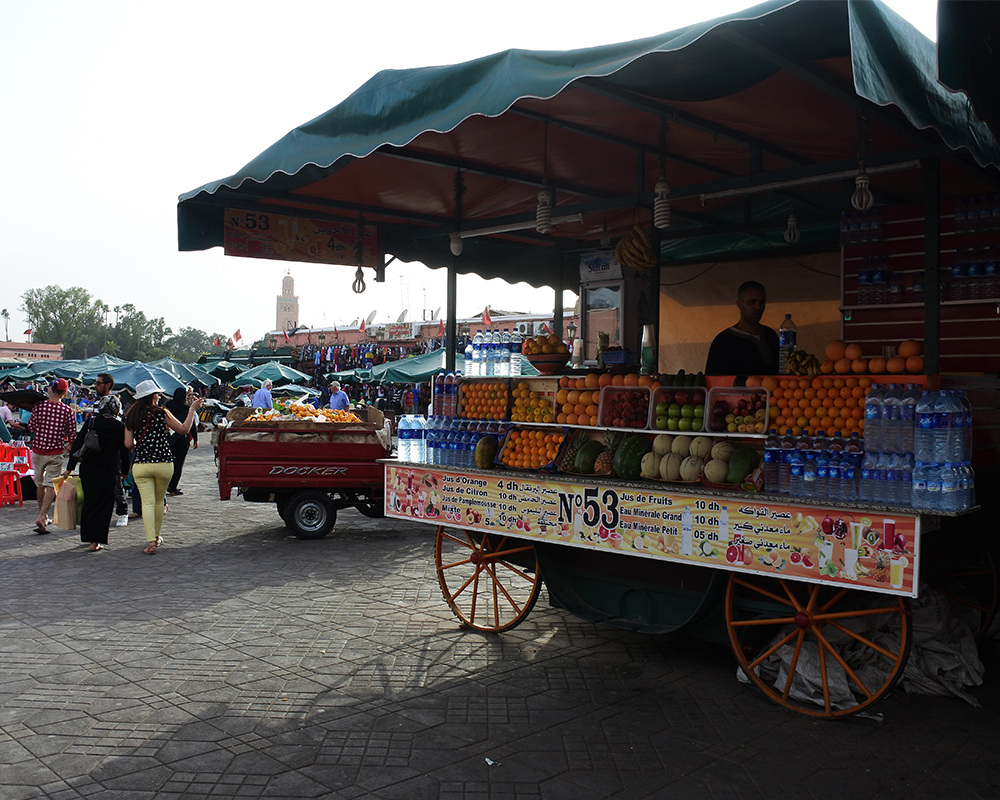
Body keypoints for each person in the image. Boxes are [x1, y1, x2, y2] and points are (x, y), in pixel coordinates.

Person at [124, 379, 202, 555]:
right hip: (163, 463)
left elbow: (128, 443)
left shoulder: (131, 416)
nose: (159, 397)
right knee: (159, 502)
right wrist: (192, 410)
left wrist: (141, 442)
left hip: (141, 465)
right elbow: (183, 429)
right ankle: (156, 537)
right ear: (152, 396)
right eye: (157, 394)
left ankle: (151, 540)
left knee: (147, 503)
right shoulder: (162, 413)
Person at [63, 381, 131, 552]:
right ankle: (96, 541)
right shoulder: (119, 427)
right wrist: (125, 471)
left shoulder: (91, 423)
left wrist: (69, 468)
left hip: (88, 469)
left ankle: (88, 536)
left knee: (90, 503)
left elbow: (77, 446)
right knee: (104, 506)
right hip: (109, 471)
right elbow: (124, 451)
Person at [28, 378, 78, 534]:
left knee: (40, 483)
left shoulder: (39, 406)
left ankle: (42, 516)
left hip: (37, 451)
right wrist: (70, 444)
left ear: (51, 389)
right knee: (50, 485)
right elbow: (72, 434)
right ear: (64, 393)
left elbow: (31, 427)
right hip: (55, 452)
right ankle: (42, 515)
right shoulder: (67, 411)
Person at [705, 280, 779, 376]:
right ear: (739, 304)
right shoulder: (723, 341)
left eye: (762, 302)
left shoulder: (770, 335)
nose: (758, 307)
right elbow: (713, 379)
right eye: (752, 302)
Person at [90, 373, 130, 527]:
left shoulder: (114, 403)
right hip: (96, 449)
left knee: (116, 484)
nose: (95, 385)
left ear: (107, 385)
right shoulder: (96, 403)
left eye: (98, 383)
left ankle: (122, 511)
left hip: (112, 450)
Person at [165, 386, 198, 496]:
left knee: (167, 462)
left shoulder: (168, 406)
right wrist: (196, 439)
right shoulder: (186, 409)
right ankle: (173, 487)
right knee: (178, 463)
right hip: (182, 438)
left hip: (169, 438)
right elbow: (192, 425)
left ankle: (165, 484)